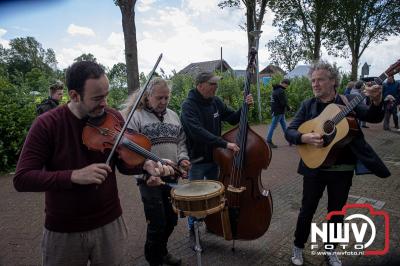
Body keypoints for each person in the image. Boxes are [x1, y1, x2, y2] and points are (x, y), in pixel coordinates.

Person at [14, 61, 174, 266]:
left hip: (110, 223)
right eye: (98, 98)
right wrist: (73, 176)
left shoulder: (113, 117)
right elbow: (22, 178)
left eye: (106, 95)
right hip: (64, 229)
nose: (105, 103)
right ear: (74, 95)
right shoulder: (47, 124)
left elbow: (123, 163)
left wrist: (144, 166)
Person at [285, 61, 390, 266]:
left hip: (341, 169)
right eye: (313, 80)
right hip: (314, 167)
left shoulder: (349, 100)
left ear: (333, 81)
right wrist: (303, 137)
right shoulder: (308, 105)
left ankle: (331, 250)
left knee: (337, 211)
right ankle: (298, 246)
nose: (315, 84)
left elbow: (372, 116)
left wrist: (376, 101)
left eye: (320, 80)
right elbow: (291, 130)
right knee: (307, 209)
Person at [180, 71, 253, 246]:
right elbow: (197, 132)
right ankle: (193, 230)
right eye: (212, 84)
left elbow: (232, 118)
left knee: (214, 196)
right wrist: (223, 143)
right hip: (197, 161)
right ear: (200, 85)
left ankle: (211, 225)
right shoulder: (188, 106)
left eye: (216, 83)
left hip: (215, 159)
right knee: (195, 200)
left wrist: (244, 106)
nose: (216, 87)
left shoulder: (216, 102)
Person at [124, 77, 190, 266]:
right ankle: (154, 259)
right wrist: (147, 169)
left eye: (166, 98)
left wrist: (183, 159)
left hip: (171, 176)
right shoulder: (136, 117)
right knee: (157, 222)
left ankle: (162, 252)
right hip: (148, 179)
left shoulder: (174, 116)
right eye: (159, 98)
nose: (163, 102)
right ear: (148, 96)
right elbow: (129, 151)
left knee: (171, 220)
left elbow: (181, 143)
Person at [266, 78, 291, 148]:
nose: (287, 87)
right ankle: (268, 141)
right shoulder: (281, 91)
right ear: (284, 83)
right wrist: (289, 108)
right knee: (273, 126)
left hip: (277, 111)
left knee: (284, 126)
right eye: (287, 85)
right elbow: (283, 102)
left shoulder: (275, 90)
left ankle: (290, 139)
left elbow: (274, 101)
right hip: (278, 112)